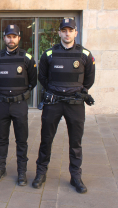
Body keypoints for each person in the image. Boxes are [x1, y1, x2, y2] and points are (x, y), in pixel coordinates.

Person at [32, 19, 95, 193]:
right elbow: (42, 77)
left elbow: (89, 80)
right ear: (59, 33)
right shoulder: (49, 54)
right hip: (53, 102)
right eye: (64, 30)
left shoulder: (85, 55)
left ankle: (76, 176)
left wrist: (75, 91)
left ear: (76, 33)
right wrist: (56, 90)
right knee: (46, 139)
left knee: (76, 142)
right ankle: (41, 173)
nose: (67, 33)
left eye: (70, 30)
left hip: (75, 104)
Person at [0, 24, 37, 185]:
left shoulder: (27, 58)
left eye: (14, 36)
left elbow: (33, 81)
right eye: (8, 36)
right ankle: (0, 169)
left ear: (19, 38)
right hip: (2, 104)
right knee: (1, 139)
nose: (11, 39)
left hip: (19, 104)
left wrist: (21, 94)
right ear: (4, 38)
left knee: (22, 140)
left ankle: (22, 172)